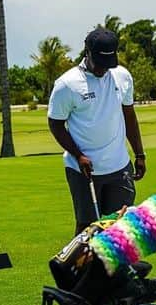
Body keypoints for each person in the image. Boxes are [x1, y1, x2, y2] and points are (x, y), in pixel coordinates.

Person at [47, 27, 146, 234]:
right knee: (88, 229)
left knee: (119, 226)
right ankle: (77, 268)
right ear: (87, 53)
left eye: (108, 64)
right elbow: (55, 124)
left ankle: (115, 268)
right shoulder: (68, 84)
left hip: (119, 167)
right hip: (83, 170)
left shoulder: (122, 77)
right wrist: (78, 155)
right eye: (100, 63)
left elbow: (129, 115)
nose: (103, 69)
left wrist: (139, 154)